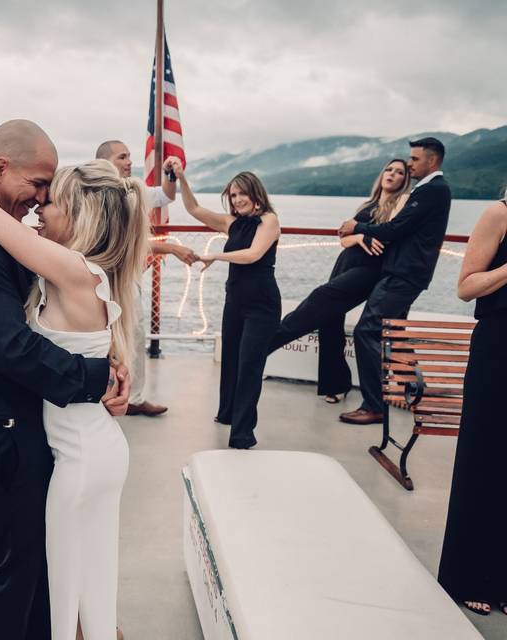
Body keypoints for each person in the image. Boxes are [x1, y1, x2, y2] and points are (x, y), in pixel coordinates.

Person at [0, 120, 130, 640]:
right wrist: (96, 375)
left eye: (50, 193)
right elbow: (10, 347)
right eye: (38, 185)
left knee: (40, 566)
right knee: (18, 569)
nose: (40, 201)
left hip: (22, 429)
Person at [267, 159, 411, 402]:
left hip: (369, 268)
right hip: (346, 262)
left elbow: (389, 234)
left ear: (404, 181)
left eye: (399, 172)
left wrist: (359, 232)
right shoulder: (368, 204)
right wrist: (357, 238)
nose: (392, 174)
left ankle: (267, 343)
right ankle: (336, 384)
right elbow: (344, 238)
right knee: (329, 320)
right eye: (389, 169)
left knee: (320, 298)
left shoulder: (401, 204)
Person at [337, 138, 451, 424]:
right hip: (408, 273)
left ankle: (374, 406)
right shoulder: (430, 189)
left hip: (403, 274)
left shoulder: (432, 190)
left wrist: (357, 227)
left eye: (414, 159)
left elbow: (398, 228)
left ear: (432, 162)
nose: (410, 164)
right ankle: (418, 395)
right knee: (395, 335)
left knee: (366, 331)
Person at [437, 193, 507, 617]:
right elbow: (465, 287)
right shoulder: (499, 213)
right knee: (484, 459)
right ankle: (470, 577)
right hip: (499, 349)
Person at [177, 167, 281, 449]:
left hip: (262, 305)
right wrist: (181, 178)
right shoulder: (231, 223)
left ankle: (243, 433)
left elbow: (253, 254)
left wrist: (215, 255)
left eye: (241, 193)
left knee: (249, 365)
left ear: (255, 193)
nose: (236, 200)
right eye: (232, 195)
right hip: (235, 300)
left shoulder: (269, 220)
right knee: (231, 359)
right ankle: (227, 413)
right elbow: (194, 208)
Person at [96, 140, 198, 416]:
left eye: (129, 156)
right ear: (106, 162)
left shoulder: (136, 191)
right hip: (99, 276)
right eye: (123, 157)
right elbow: (122, 242)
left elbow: (166, 196)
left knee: (135, 332)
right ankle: (101, 394)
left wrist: (169, 173)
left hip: (127, 276)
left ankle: (135, 398)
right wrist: (171, 247)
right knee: (100, 335)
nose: (130, 162)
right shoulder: (94, 195)